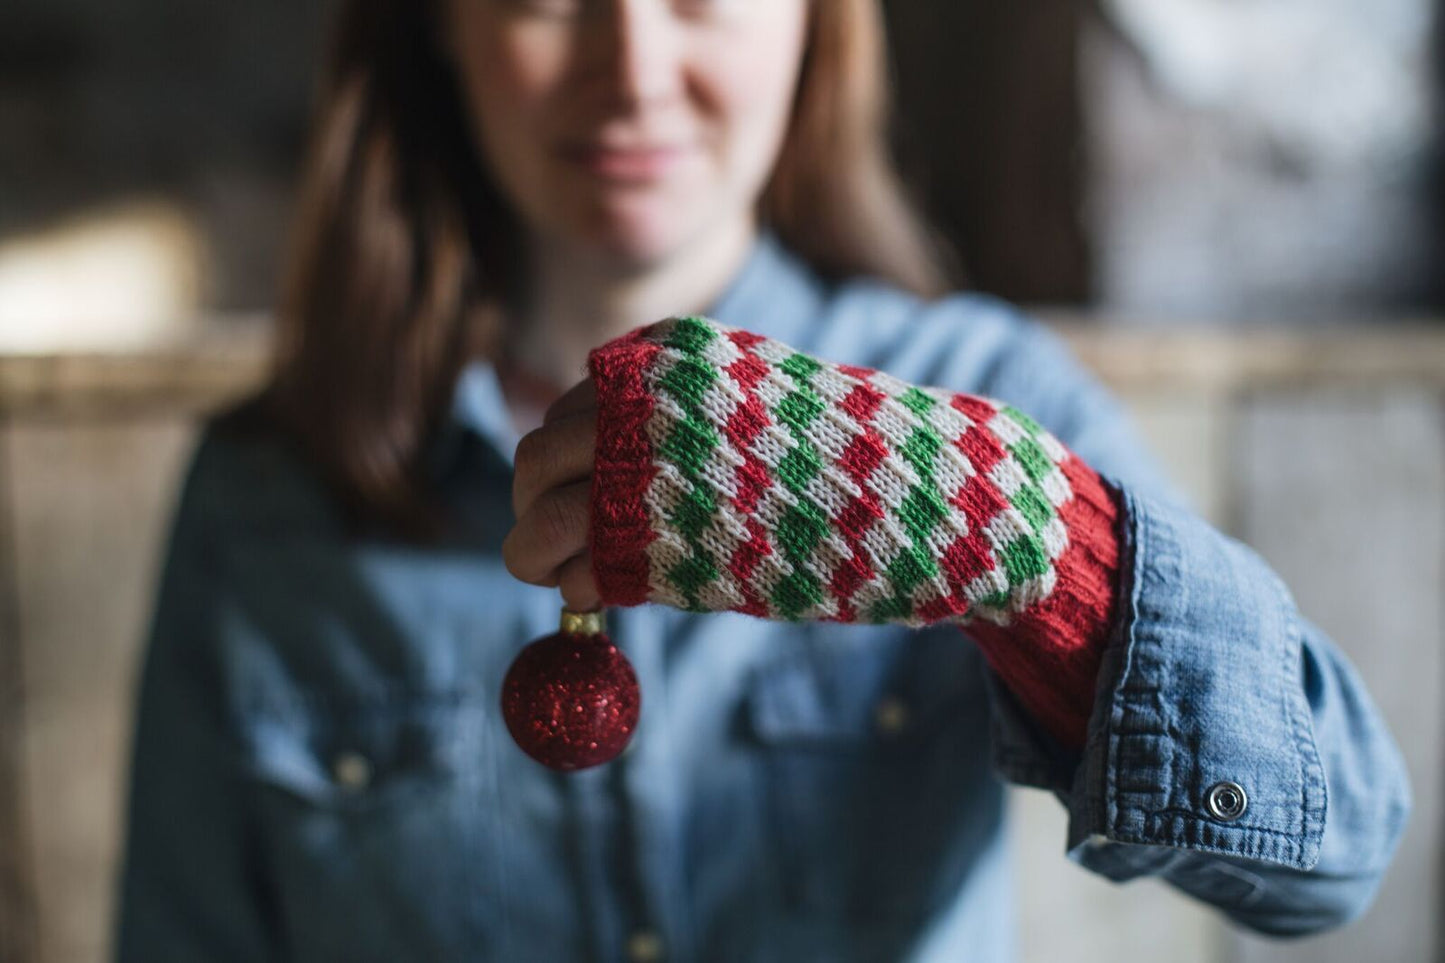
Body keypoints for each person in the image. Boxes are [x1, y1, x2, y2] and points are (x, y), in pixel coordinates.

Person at [114, 0, 1412, 960]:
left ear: (814, 26)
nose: (633, 71)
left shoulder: (978, 392)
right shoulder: (267, 495)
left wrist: (1028, 543)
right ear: (436, 28)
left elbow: (1332, 849)